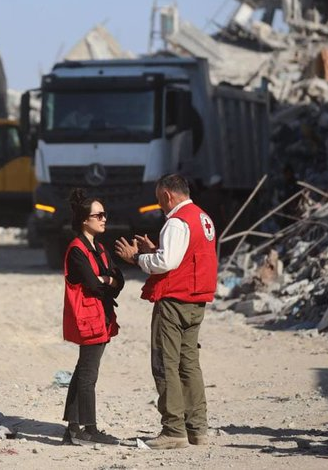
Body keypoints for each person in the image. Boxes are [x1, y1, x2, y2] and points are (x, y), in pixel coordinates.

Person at [114, 174, 217, 450]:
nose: (159, 205)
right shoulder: (203, 218)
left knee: (166, 363)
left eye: (160, 199)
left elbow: (167, 261)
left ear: (168, 195)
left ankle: (173, 430)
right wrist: (156, 250)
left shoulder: (176, 221)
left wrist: (137, 257)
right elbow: (184, 255)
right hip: (196, 300)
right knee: (189, 363)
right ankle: (198, 428)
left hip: (174, 300)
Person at [61, 188, 123, 446]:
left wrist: (107, 279)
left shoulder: (99, 248)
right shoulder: (77, 250)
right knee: (88, 374)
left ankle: (74, 428)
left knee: (82, 371)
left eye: (104, 214)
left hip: (102, 317)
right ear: (85, 220)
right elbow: (94, 285)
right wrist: (106, 280)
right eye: (99, 215)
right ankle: (89, 429)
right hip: (89, 319)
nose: (104, 219)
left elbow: (118, 281)